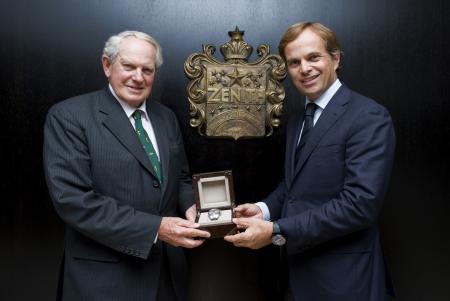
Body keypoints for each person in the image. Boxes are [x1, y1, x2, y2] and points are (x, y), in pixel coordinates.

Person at [225, 22, 396, 300]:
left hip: (345, 279)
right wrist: (263, 210)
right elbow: (294, 185)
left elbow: (360, 204)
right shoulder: (297, 121)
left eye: (313, 57)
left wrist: (277, 229)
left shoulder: (368, 116)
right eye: (294, 62)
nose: (304, 69)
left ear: (336, 59)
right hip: (296, 274)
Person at [43, 30, 210, 301]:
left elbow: (179, 178)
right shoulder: (69, 117)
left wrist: (193, 206)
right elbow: (73, 200)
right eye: (129, 66)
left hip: (166, 276)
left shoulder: (165, 117)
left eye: (147, 69)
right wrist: (156, 229)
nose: (138, 77)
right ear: (107, 66)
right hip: (104, 280)